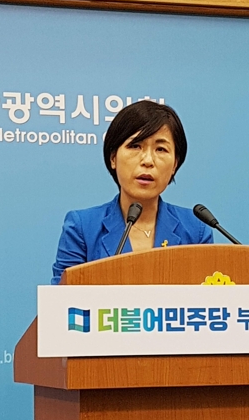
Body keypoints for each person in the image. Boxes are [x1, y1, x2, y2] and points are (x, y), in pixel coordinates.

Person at [51, 101, 213, 284]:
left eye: (161, 149)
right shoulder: (82, 227)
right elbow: (61, 298)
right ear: (113, 158)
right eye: (135, 146)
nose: (148, 161)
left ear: (175, 164)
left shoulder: (195, 230)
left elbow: (209, 298)